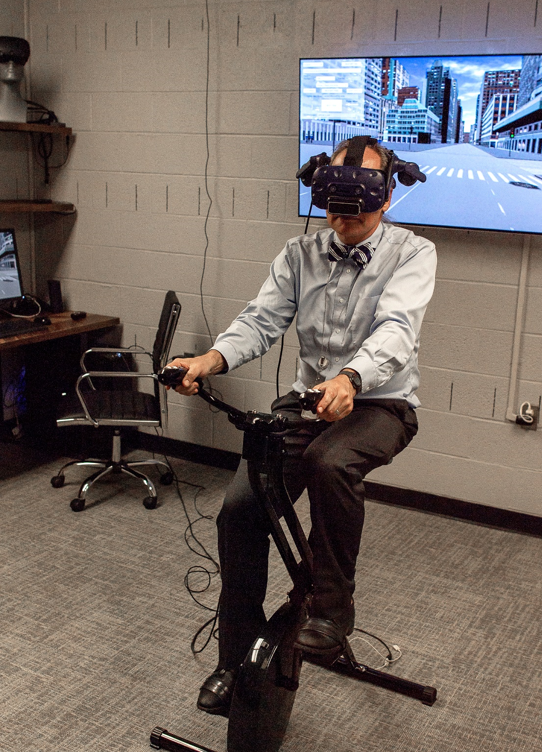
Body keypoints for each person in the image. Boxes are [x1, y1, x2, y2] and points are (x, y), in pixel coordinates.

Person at [168, 137, 437, 716]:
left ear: (387, 196)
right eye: (335, 204)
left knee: (330, 461)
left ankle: (330, 612)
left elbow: (396, 329)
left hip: (380, 402)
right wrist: (208, 360)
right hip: (309, 400)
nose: (345, 217)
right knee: (241, 511)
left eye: (359, 202)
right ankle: (234, 660)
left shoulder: (414, 253)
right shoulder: (299, 254)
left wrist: (352, 379)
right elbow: (261, 321)